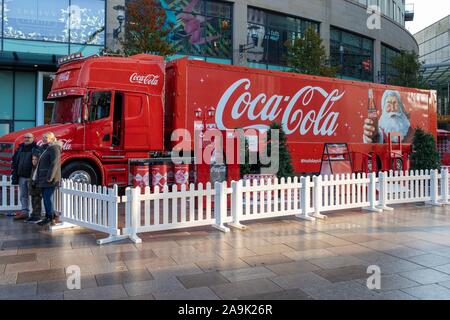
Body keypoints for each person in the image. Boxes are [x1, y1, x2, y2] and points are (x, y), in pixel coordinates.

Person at [10, 133, 40, 220]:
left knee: (34, 195)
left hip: (31, 177)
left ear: (33, 138)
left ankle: (35, 214)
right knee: (23, 195)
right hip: (21, 177)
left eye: (29, 137)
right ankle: (24, 212)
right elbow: (15, 160)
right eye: (25, 137)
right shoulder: (20, 148)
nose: (27, 139)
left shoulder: (36, 148)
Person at [36, 132, 62, 227]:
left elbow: (54, 164)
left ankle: (50, 218)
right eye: (43, 137)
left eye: (46, 137)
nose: (43, 139)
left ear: (51, 138)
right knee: (46, 198)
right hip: (44, 177)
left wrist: (50, 177)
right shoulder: (48, 148)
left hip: (49, 178)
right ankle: (49, 216)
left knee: (48, 198)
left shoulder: (54, 148)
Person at [25, 154, 43, 224]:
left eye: (35, 159)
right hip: (32, 188)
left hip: (37, 188)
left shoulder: (39, 168)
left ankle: (37, 216)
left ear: (38, 160)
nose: (34, 161)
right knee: (33, 202)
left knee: (37, 202)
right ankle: (33, 214)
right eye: (33, 159)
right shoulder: (33, 168)